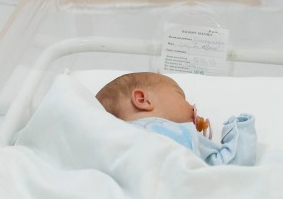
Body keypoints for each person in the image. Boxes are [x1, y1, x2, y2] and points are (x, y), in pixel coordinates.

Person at [95, 71, 256, 166]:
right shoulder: (183, 132)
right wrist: (240, 130)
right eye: (181, 97)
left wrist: (238, 129)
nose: (192, 107)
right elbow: (230, 164)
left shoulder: (188, 136)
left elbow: (227, 170)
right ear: (143, 100)